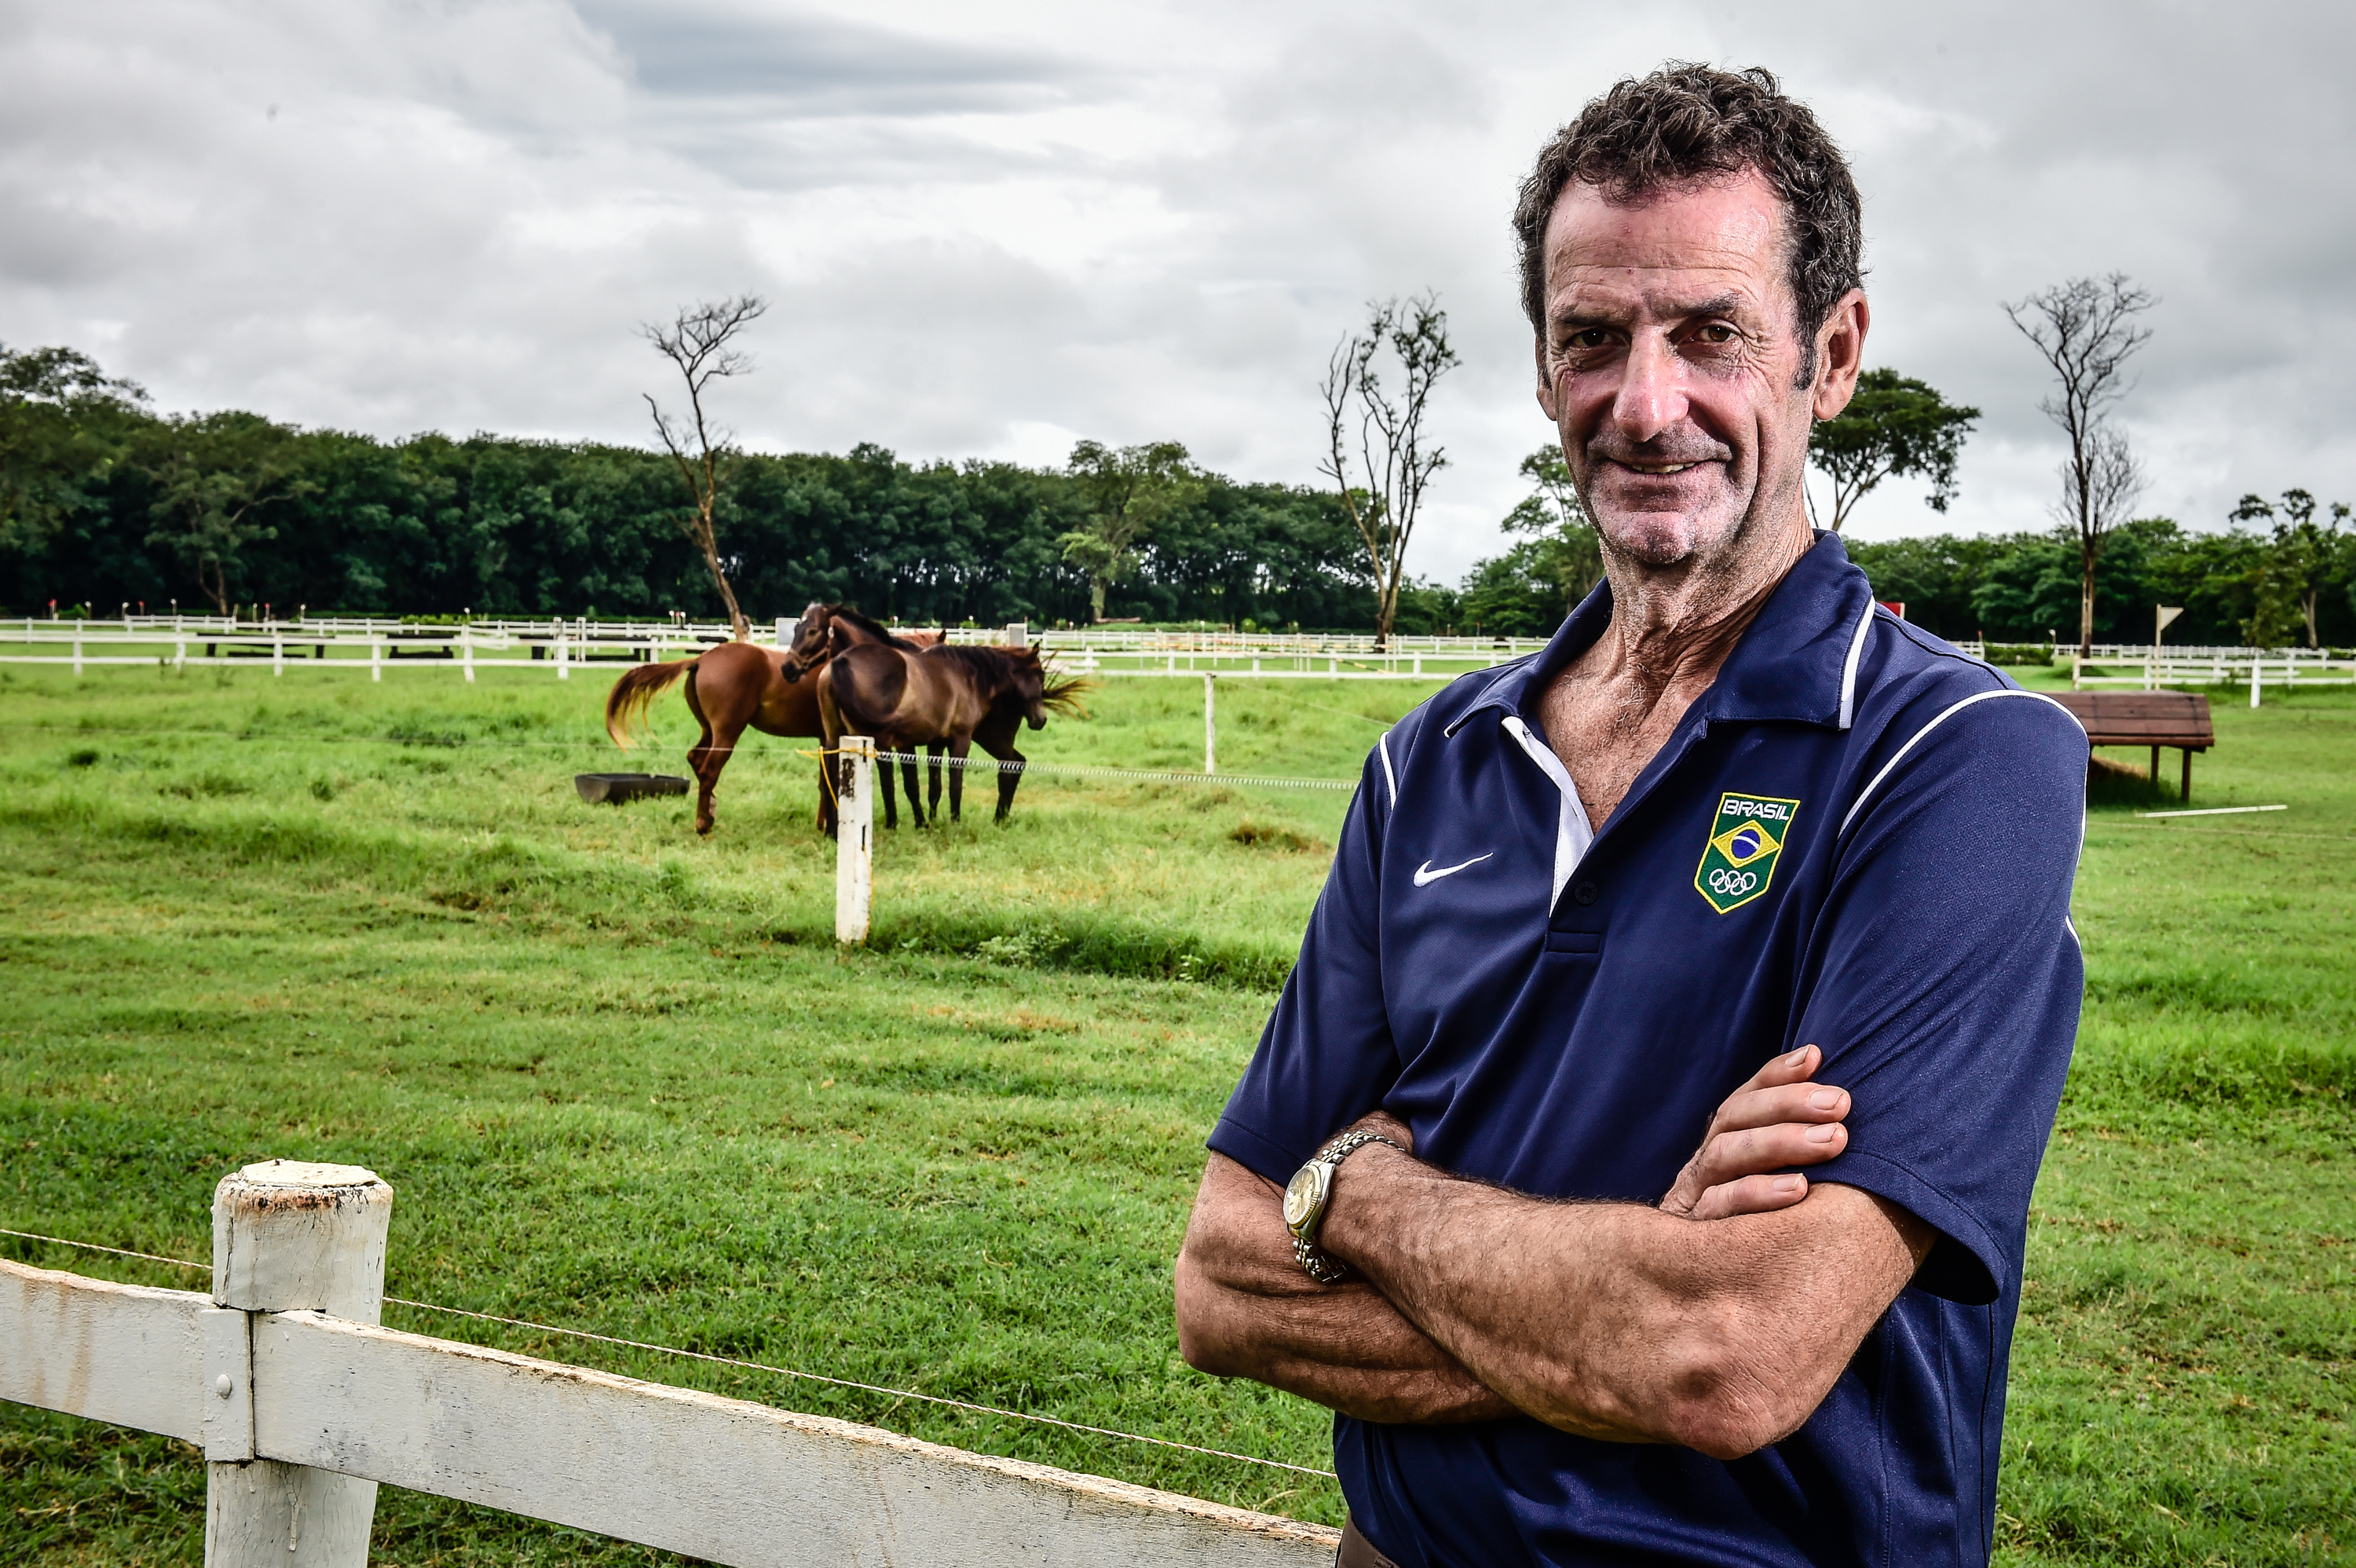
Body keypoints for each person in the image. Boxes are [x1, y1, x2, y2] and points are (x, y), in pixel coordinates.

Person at [1173, 64, 2088, 1568]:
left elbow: (1729, 1354)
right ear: (1544, 370)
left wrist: (1360, 1190)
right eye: (1594, 338)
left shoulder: (1954, 757)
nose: (1647, 404)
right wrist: (1627, 1290)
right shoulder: (1433, 763)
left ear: (1832, 351)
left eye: (1713, 333)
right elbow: (1221, 1283)